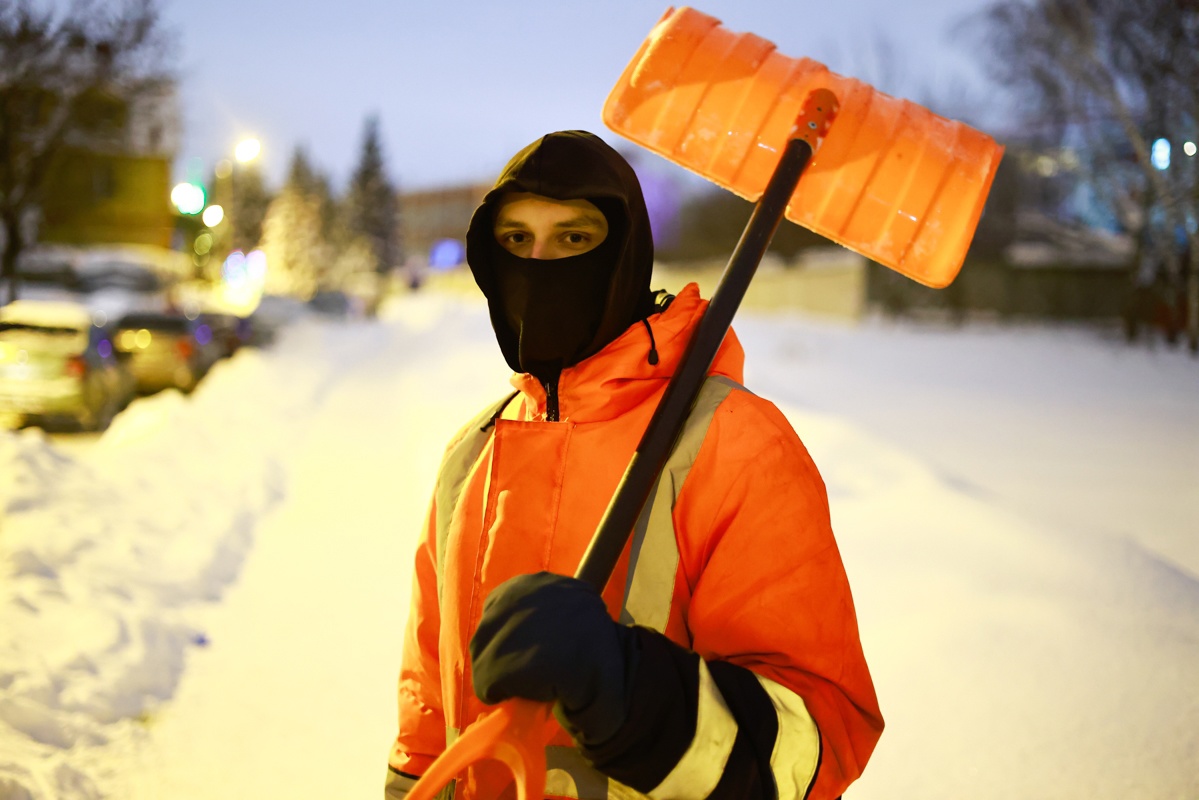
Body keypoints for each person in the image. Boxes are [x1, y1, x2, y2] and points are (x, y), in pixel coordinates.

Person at [385, 130, 883, 800]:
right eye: (515, 241)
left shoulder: (731, 442)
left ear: (622, 254)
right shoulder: (472, 453)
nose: (539, 264)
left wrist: (630, 692)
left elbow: (819, 745)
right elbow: (428, 703)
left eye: (572, 238)